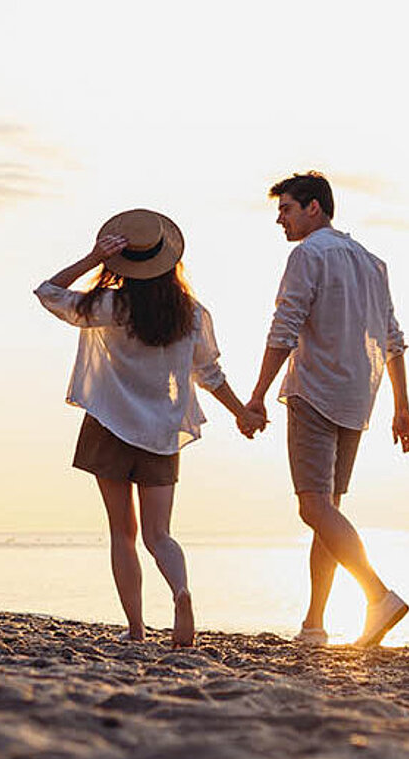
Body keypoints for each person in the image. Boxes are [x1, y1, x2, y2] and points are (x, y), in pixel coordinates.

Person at [36, 208, 252, 648]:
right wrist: (241, 412)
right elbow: (209, 373)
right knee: (160, 535)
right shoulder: (191, 314)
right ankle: (181, 592)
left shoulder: (110, 306)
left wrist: (95, 257)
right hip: (161, 433)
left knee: (123, 533)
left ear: (124, 264)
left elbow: (48, 292)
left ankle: (136, 629)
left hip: (109, 426)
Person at [238, 171, 409, 649]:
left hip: (315, 392)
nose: (281, 219)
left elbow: (284, 328)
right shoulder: (372, 262)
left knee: (313, 506)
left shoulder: (307, 255)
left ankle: (378, 594)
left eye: (287, 209)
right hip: (358, 397)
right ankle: (315, 624)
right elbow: (393, 339)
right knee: (327, 510)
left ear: (314, 208)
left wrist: (256, 396)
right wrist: (402, 407)